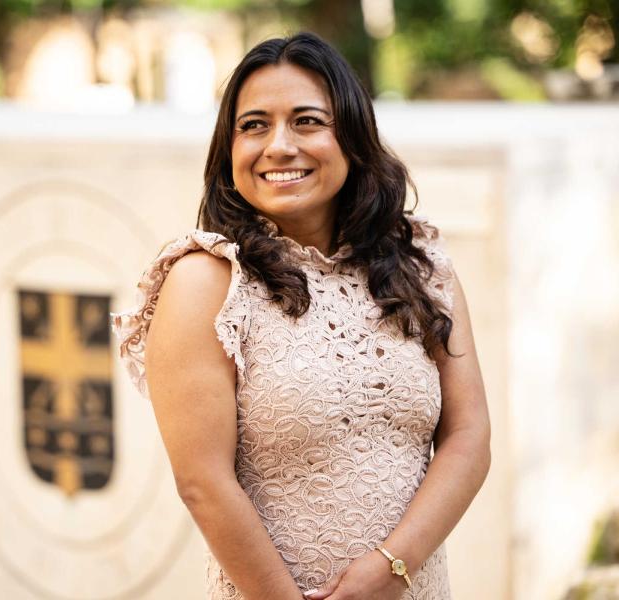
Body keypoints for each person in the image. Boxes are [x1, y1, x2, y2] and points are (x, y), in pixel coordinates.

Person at [110, 30, 490, 600]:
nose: (279, 146)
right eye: (254, 125)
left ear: (353, 138)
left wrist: (394, 568)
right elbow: (202, 483)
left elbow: (468, 435)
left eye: (307, 121)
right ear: (228, 148)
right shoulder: (205, 281)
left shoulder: (420, 267)